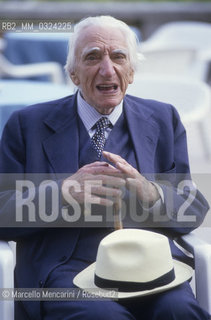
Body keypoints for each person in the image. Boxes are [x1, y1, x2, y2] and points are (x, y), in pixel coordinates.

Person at [0, 15, 210, 320]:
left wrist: (150, 193)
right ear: (73, 73)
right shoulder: (27, 124)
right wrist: (61, 194)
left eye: (118, 57)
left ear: (132, 71)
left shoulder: (163, 119)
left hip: (149, 267)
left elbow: (193, 208)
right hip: (64, 271)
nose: (107, 69)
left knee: (181, 312)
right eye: (93, 57)